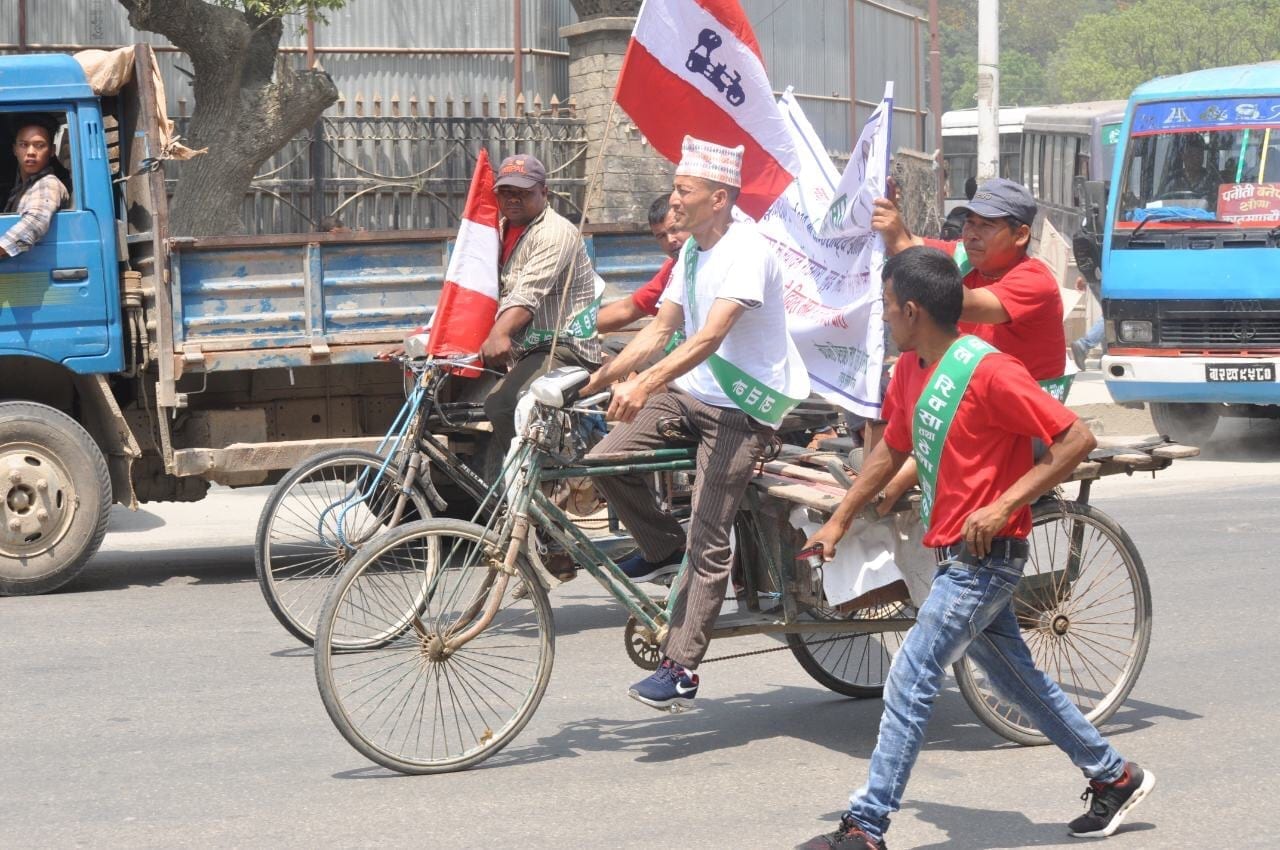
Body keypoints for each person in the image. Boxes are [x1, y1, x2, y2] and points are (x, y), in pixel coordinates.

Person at [796, 247, 1154, 850]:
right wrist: (841, 518)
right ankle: (1114, 775)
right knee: (1020, 683)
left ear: (912, 310)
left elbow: (1076, 437)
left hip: (987, 561)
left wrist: (1004, 503)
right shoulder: (911, 368)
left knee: (910, 675)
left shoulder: (991, 371)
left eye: (886, 306)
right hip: (951, 556)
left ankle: (867, 825)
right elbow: (891, 449)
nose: (883, 317)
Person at [580, 136, 809, 711]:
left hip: (743, 407)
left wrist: (645, 383)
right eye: (677, 187)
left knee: (710, 536)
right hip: (692, 392)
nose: (674, 200)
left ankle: (681, 666)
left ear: (719, 196)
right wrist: (594, 382)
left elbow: (709, 337)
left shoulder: (747, 250)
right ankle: (662, 548)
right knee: (604, 458)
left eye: (684, 190)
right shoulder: (691, 252)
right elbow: (659, 333)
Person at [481, 153, 602, 460]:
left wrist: (500, 332)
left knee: (504, 404)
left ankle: (545, 481)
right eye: (506, 193)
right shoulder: (498, 231)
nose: (513, 200)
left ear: (544, 192)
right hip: (525, 350)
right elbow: (473, 289)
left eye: (523, 193)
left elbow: (527, 294)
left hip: (562, 346)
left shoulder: (554, 232)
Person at [596, 194, 689, 335]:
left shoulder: (718, 259)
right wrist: (570, 332)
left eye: (675, 229)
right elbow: (628, 309)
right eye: (661, 236)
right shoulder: (672, 270)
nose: (670, 240)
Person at [1, 117, 70, 259]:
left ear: (52, 151)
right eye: (23, 145)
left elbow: (35, 223)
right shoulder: (22, 187)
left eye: (39, 145)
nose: (31, 152)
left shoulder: (47, 184)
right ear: (14, 149)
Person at [1157, 133, 1220, 201]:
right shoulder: (1172, 180)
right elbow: (1158, 202)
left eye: (1199, 154)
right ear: (1183, 155)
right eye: (1191, 154)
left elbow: (1219, 203)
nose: (1196, 159)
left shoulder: (1212, 179)